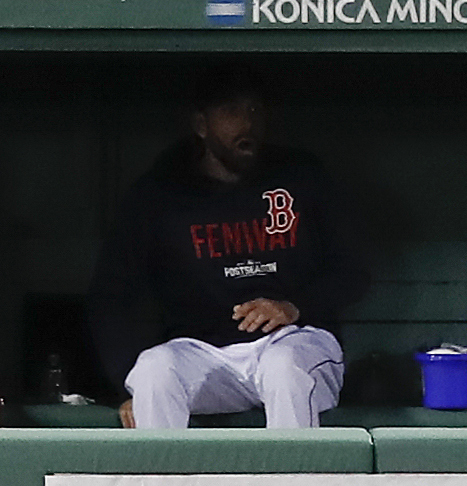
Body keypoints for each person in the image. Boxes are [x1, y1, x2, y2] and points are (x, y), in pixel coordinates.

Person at [88, 64, 369, 429]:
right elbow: (110, 294)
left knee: (285, 370)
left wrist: (294, 307)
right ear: (201, 126)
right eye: (230, 112)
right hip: (202, 356)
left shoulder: (302, 176)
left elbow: (353, 271)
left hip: (295, 342)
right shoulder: (160, 194)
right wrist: (128, 383)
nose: (246, 124)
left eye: (254, 111)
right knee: (154, 371)